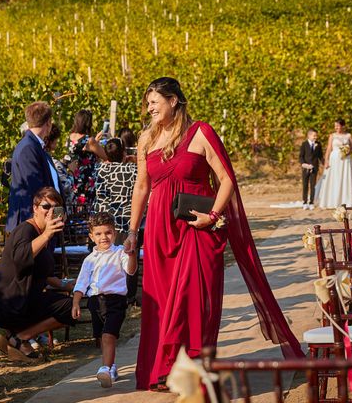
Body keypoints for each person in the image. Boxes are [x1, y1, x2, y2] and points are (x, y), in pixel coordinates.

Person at [124, 77, 303, 391]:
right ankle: (166, 371)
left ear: (174, 101)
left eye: (155, 102)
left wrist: (213, 216)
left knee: (192, 303)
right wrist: (132, 232)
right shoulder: (145, 139)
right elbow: (142, 187)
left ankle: (192, 371)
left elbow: (226, 179)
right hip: (158, 233)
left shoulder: (201, 132)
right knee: (163, 303)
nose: (149, 108)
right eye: (148, 103)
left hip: (197, 230)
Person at [0, 187, 76, 360]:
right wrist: (48, 234)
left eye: (55, 208)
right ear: (35, 208)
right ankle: (20, 338)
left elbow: (41, 272)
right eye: (45, 207)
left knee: (72, 306)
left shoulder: (42, 234)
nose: (49, 212)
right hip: (8, 303)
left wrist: (65, 284)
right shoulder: (25, 231)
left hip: (23, 299)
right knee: (70, 308)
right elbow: (21, 258)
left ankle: (14, 335)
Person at [72, 212, 137, 388]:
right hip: (95, 302)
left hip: (116, 301)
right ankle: (112, 367)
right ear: (92, 236)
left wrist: (131, 254)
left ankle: (106, 368)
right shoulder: (89, 260)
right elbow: (81, 283)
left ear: (114, 233)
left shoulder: (120, 253)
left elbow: (130, 270)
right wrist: (76, 303)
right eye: (99, 234)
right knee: (102, 337)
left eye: (108, 232)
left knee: (109, 335)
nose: (104, 237)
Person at [7, 102, 60, 232]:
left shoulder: (34, 145)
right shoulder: (28, 148)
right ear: (48, 123)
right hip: (31, 219)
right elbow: (36, 188)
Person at [93, 138, 137, 243]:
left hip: (100, 224)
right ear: (124, 153)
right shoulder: (132, 170)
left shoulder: (98, 169)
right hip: (123, 223)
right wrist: (135, 160)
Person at [67, 109, 107, 211]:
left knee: (75, 210)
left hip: (74, 179)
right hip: (86, 182)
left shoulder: (70, 137)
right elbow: (106, 156)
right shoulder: (89, 140)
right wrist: (96, 142)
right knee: (87, 213)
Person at [318, 118, 352, 209]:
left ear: (343, 126)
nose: (336, 128)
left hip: (345, 161)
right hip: (334, 160)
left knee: (344, 179)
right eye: (335, 126)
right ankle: (332, 201)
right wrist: (326, 161)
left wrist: (346, 153)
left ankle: (345, 201)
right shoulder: (332, 136)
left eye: (338, 126)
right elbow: (329, 149)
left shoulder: (349, 136)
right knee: (334, 179)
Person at [44, 123, 74, 210]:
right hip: (59, 208)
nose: (57, 141)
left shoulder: (42, 158)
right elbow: (66, 187)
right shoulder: (54, 163)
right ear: (51, 141)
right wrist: (71, 171)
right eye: (56, 139)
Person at [299, 128, 324, 210]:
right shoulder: (304, 144)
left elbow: (320, 156)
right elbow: (301, 156)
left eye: (316, 135)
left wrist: (324, 163)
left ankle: (311, 202)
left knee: (313, 185)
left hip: (314, 168)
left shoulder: (318, 144)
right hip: (305, 168)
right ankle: (305, 202)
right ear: (309, 135)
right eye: (314, 135)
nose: (315, 137)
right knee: (305, 185)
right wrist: (303, 164)